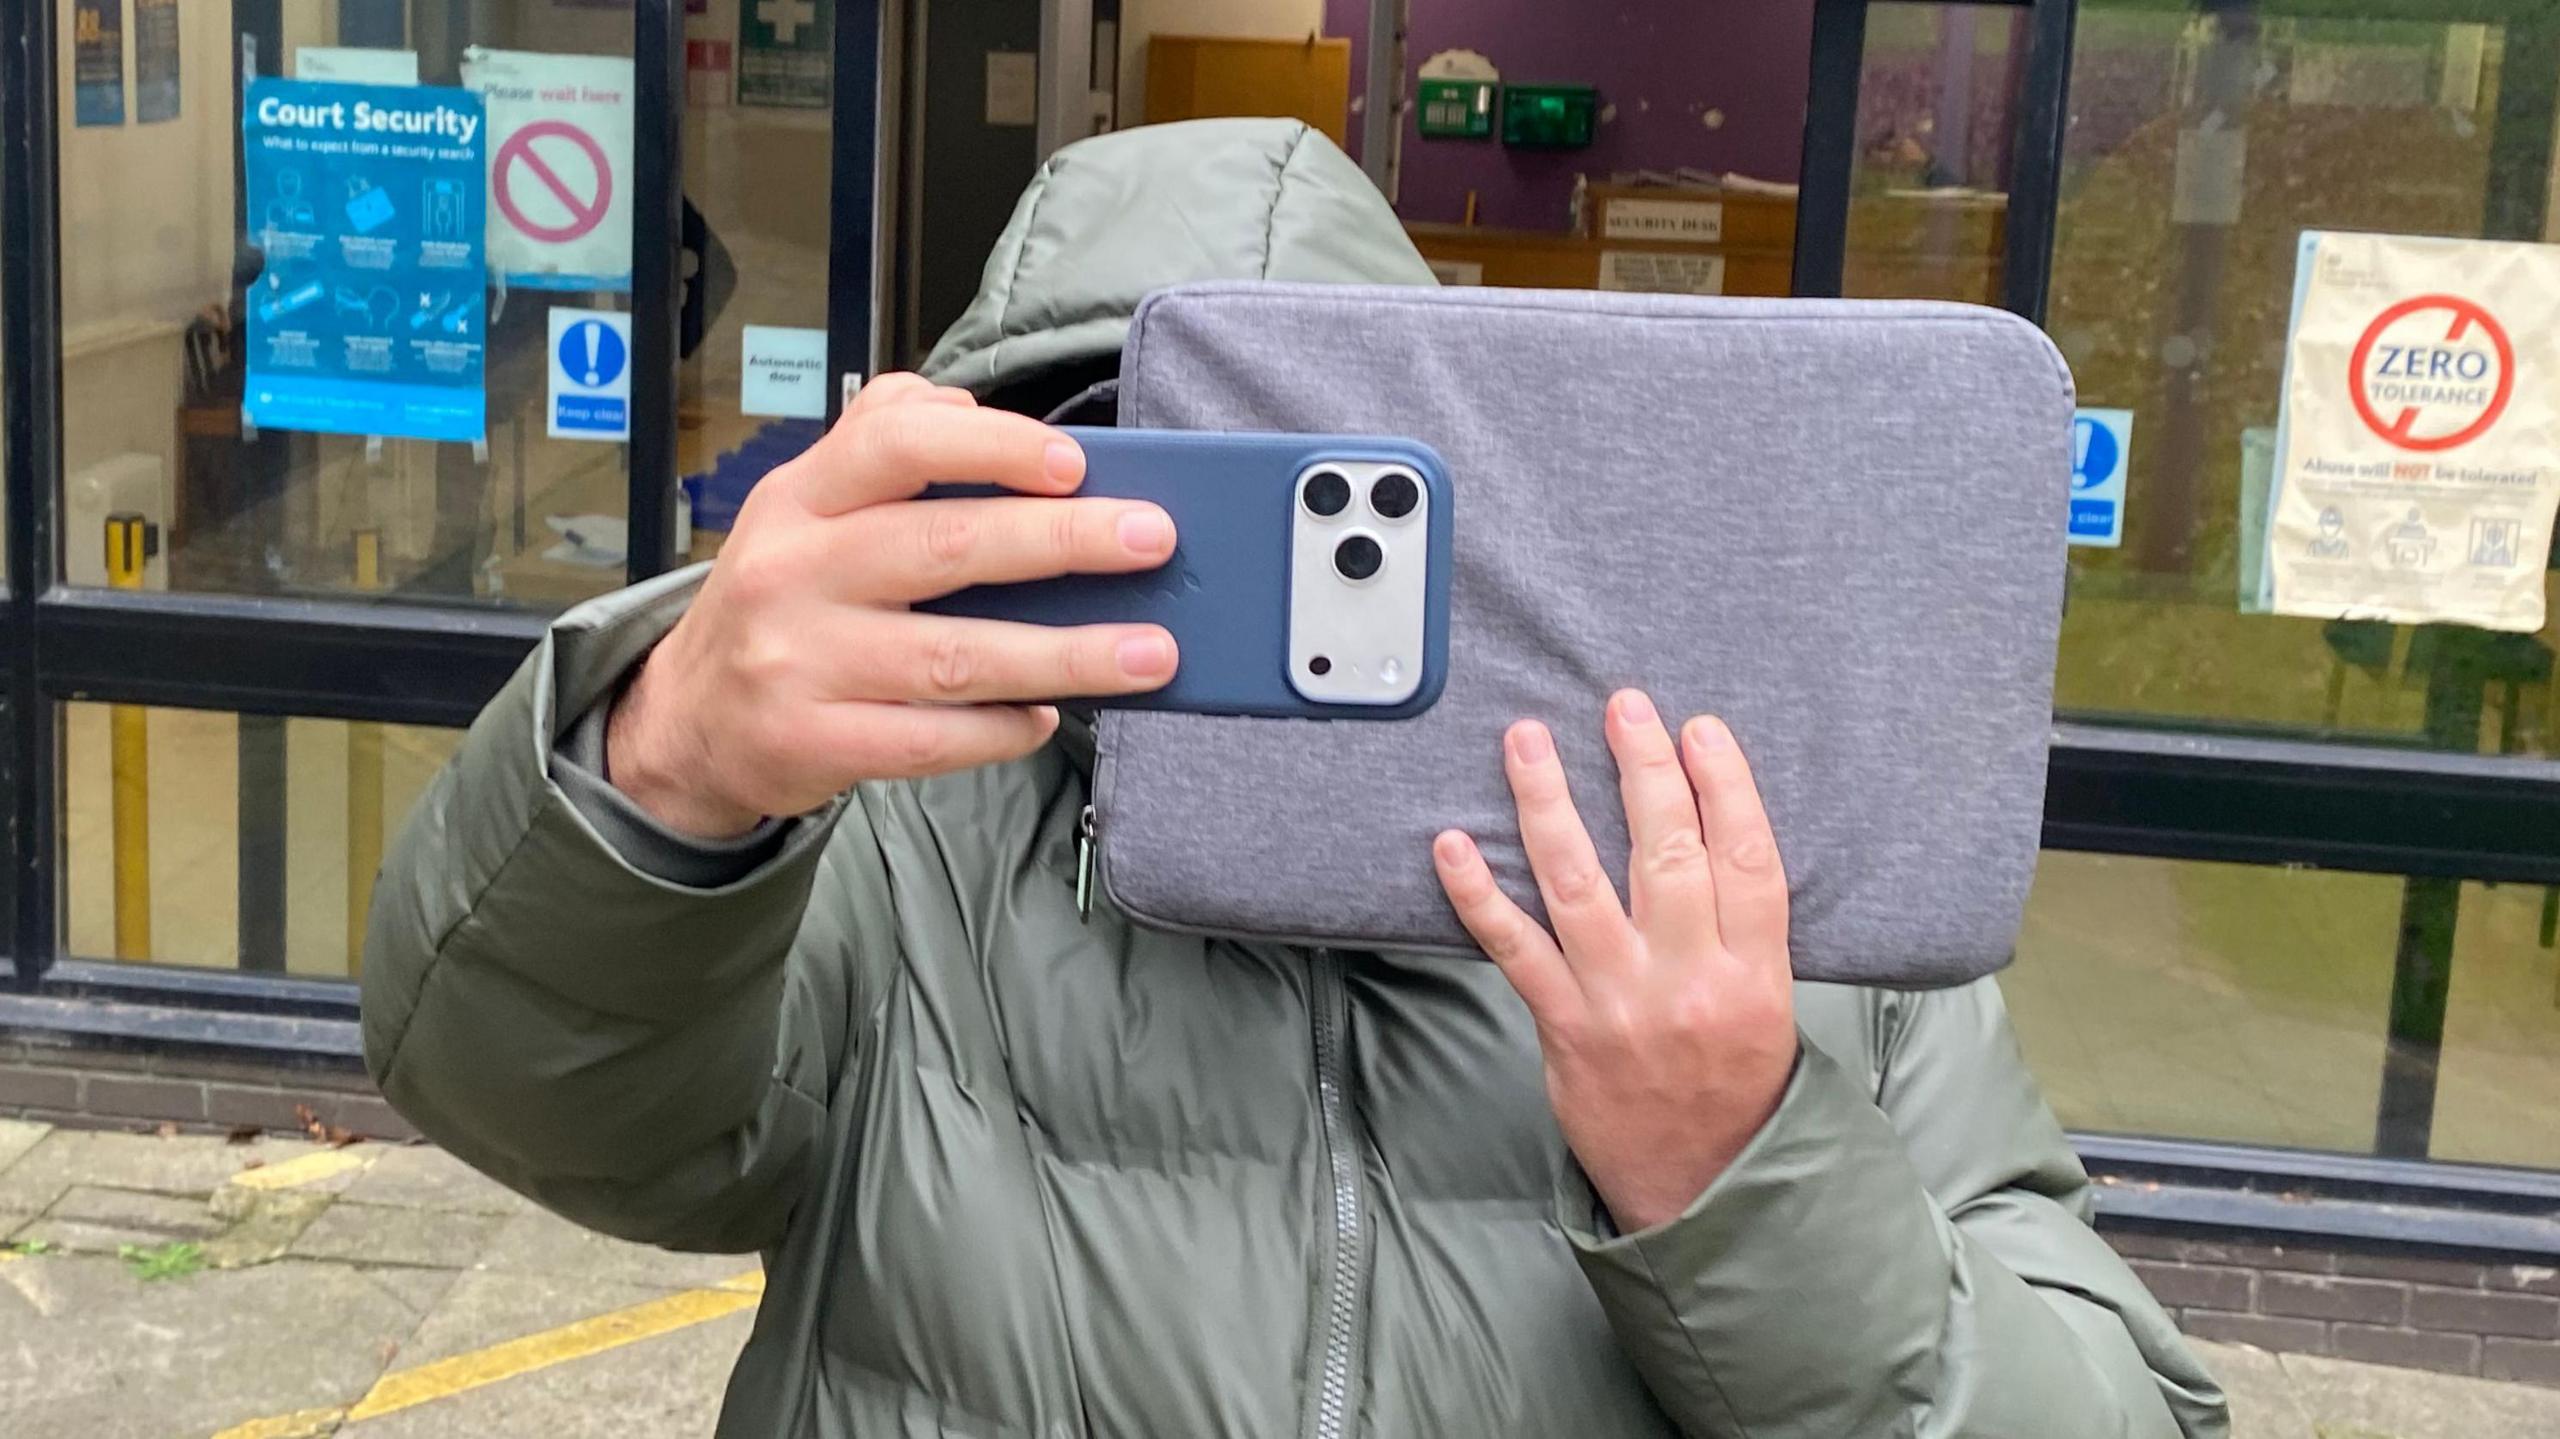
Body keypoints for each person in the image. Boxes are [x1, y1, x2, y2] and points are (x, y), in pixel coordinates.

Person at [363, 121, 2228, 1438]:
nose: (1190, 569)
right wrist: (670, 762)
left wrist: (1739, 1171)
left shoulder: (1749, 867)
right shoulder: (892, 832)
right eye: (1124, 484)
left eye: (1289, 491)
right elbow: (528, 1090)